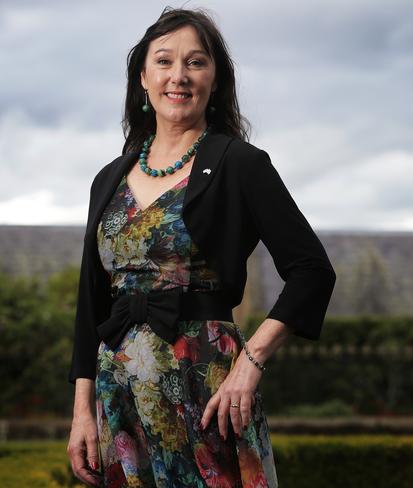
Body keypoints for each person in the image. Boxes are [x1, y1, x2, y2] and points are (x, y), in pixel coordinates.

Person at [66, 7, 336, 488]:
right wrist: (82, 411)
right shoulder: (108, 178)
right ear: (143, 78)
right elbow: (92, 303)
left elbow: (312, 270)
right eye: (165, 61)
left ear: (215, 80)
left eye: (196, 62)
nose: (179, 76)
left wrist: (249, 364)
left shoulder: (240, 164)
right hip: (120, 395)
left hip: (208, 390)